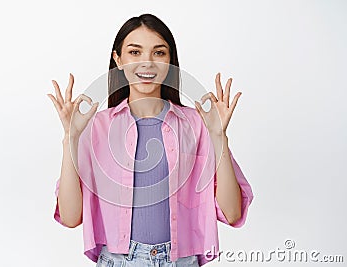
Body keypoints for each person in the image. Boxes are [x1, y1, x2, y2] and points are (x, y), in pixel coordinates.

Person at [47, 13, 253, 267]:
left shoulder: (199, 125)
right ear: (118, 59)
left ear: (170, 61)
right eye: (135, 53)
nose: (147, 63)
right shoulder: (96, 127)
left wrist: (219, 137)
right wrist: (71, 138)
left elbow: (232, 213)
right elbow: (70, 216)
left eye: (159, 53)